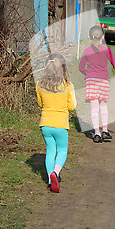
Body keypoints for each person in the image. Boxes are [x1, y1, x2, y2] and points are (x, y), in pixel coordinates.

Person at [78, 25, 115, 143]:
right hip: (104, 81)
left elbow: (81, 67)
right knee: (103, 106)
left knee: (94, 108)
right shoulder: (106, 50)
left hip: (91, 81)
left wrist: (88, 74)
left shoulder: (87, 50)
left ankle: (96, 133)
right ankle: (105, 131)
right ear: (103, 36)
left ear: (89, 37)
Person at [36, 54, 76, 193]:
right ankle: (56, 173)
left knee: (50, 150)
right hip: (61, 124)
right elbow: (72, 106)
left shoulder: (40, 84)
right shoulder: (67, 85)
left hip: (45, 124)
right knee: (62, 150)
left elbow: (40, 104)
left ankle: (49, 179)